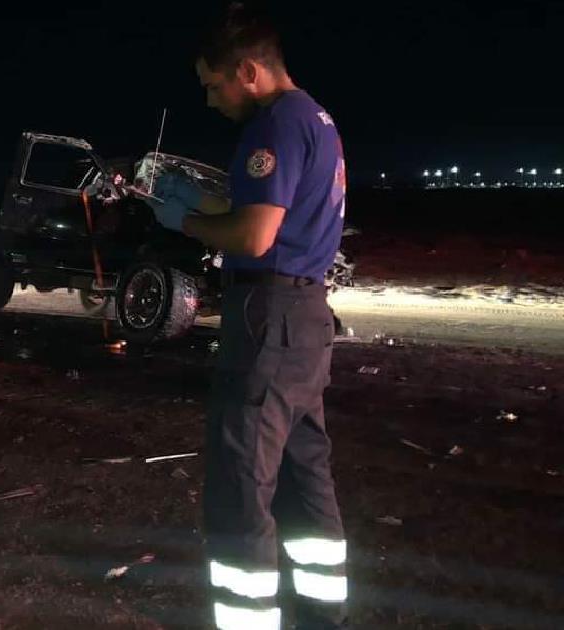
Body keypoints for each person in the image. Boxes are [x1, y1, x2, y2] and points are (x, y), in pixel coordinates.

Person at [142, 4, 349, 629]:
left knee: (239, 488)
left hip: (270, 320)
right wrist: (185, 193)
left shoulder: (274, 125)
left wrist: (184, 221)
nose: (209, 100)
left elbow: (255, 234)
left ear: (249, 70)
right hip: (307, 318)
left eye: (214, 84)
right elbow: (260, 204)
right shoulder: (317, 119)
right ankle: (321, 617)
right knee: (304, 478)